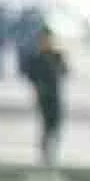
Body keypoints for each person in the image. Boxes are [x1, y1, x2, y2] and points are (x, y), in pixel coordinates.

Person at [23, 25, 69, 169]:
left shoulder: (57, 56)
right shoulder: (36, 57)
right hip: (43, 95)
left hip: (55, 94)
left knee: (56, 124)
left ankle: (52, 151)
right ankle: (45, 152)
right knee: (46, 125)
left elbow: (64, 71)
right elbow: (30, 75)